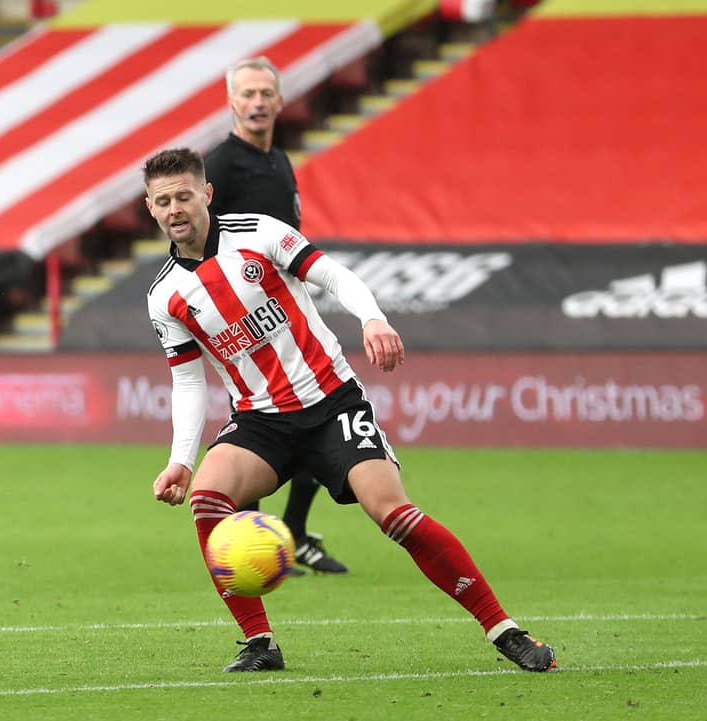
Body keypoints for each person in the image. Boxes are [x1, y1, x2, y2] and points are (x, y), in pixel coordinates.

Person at [141, 147, 556, 674]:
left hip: (331, 402)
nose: (175, 208)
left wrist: (373, 320)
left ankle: (505, 630)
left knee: (393, 514)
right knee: (207, 498)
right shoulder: (165, 295)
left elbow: (334, 276)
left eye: (183, 195)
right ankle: (259, 643)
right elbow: (186, 381)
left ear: (207, 194)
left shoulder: (259, 233)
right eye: (163, 201)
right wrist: (180, 459)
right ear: (149, 209)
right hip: (260, 422)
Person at [204, 57, 347, 575]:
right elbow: (199, 242)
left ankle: (295, 534)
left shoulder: (278, 161)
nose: (258, 102)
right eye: (248, 94)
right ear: (232, 102)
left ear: (280, 101)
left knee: (317, 412)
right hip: (246, 322)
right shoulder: (219, 167)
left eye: (266, 93)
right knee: (260, 427)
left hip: (290, 315)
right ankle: (257, 547)